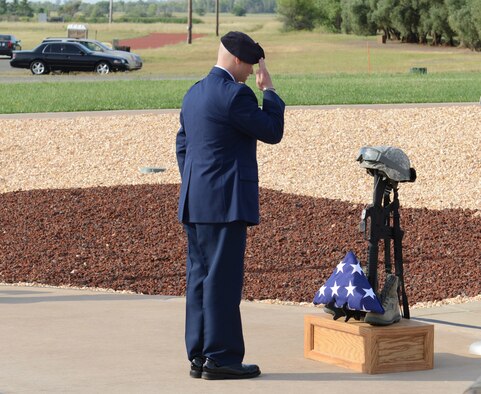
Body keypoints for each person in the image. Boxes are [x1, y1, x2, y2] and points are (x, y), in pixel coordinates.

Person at [175, 31, 285, 380]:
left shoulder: (194, 93)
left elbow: (183, 144)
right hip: (224, 205)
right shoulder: (235, 95)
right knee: (222, 282)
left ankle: (199, 355)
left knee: (199, 279)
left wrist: (198, 182)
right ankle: (221, 358)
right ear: (238, 60)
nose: (253, 70)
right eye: (252, 64)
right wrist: (268, 89)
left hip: (196, 201)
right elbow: (272, 131)